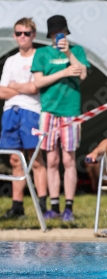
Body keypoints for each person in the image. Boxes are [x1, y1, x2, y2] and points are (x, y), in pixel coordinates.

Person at [31, 15, 90, 222]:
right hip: (48, 111)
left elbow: (82, 74)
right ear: (49, 34)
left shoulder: (77, 51)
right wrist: (64, 72)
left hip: (70, 112)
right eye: (56, 33)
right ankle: (54, 206)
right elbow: (38, 82)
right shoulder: (41, 53)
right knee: (52, 159)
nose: (59, 36)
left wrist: (68, 53)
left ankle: (69, 208)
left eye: (62, 32)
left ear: (66, 32)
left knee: (68, 159)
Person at [0, 18, 47, 219]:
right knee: (14, 159)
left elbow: (34, 87)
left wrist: (15, 87)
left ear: (34, 35)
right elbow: (2, 91)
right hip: (11, 112)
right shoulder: (11, 61)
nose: (22, 37)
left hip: (32, 112)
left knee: (35, 159)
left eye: (26, 33)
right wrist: (23, 87)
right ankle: (17, 206)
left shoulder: (39, 56)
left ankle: (43, 206)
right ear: (14, 35)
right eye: (18, 33)